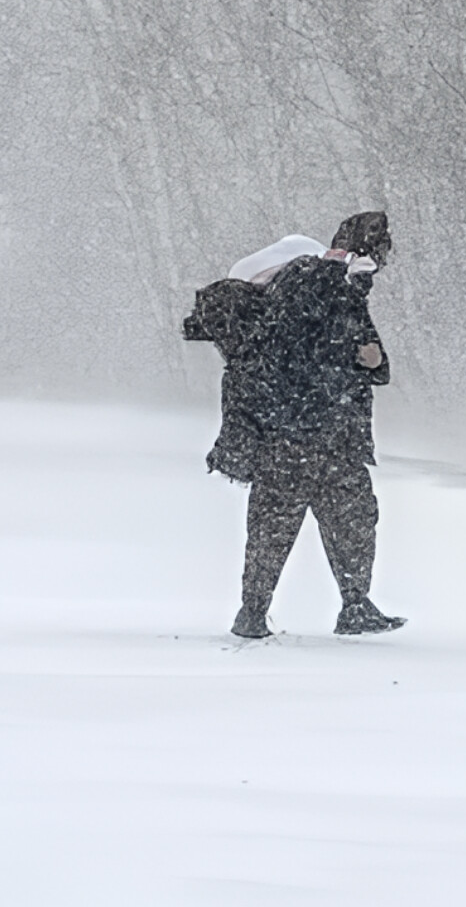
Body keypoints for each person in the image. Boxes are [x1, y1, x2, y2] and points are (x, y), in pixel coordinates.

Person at [184, 212, 404, 640]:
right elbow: (349, 356)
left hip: (300, 434)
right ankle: (348, 605)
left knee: (280, 525)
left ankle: (261, 611)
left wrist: (368, 361)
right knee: (347, 521)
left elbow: (372, 360)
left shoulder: (314, 297)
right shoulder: (317, 284)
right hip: (318, 432)